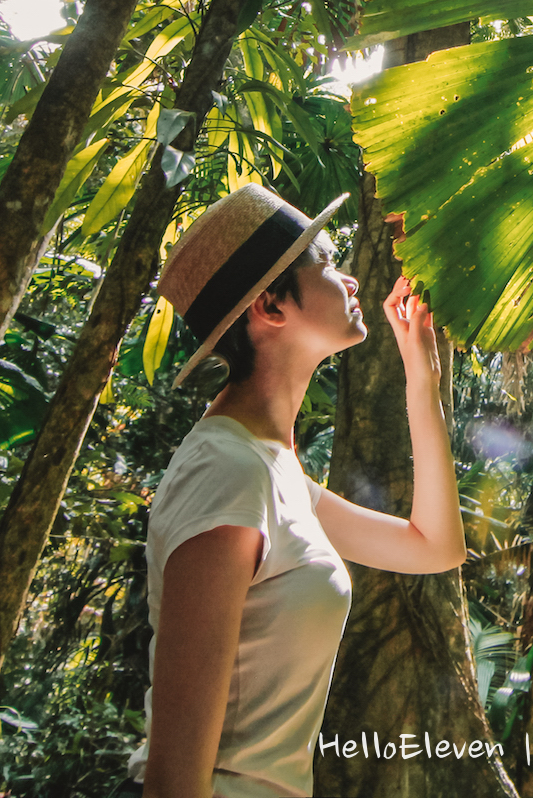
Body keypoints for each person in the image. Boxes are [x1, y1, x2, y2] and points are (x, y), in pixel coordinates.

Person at [122, 183, 464, 798]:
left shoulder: (273, 471)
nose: (352, 281)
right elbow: (174, 781)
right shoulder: (226, 474)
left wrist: (423, 378)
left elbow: (434, 547)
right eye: (329, 265)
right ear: (271, 307)